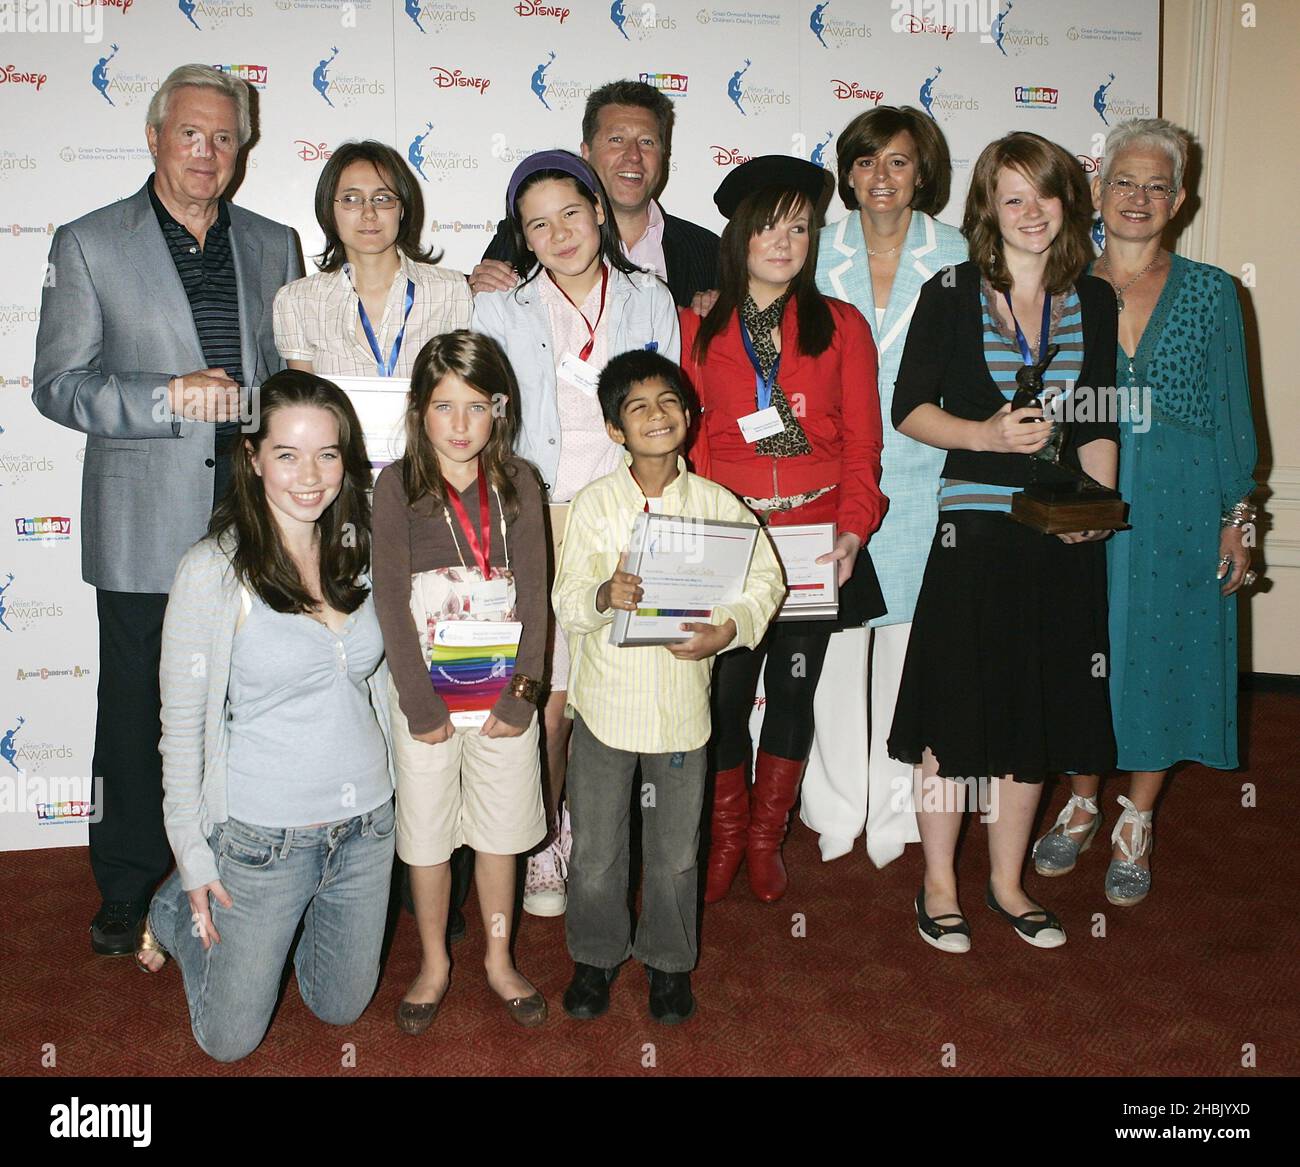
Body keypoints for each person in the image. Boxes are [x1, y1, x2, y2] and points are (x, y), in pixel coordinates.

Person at [32, 64, 302, 956]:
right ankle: (123, 884)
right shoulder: (88, 241)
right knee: (134, 709)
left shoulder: (274, 241)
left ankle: (243, 866)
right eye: (190, 133)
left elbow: (285, 380)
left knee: (248, 700)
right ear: (153, 137)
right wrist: (168, 397)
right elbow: (58, 386)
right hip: (143, 516)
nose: (207, 152)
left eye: (225, 137)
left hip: (254, 514)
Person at [888, 131, 1120, 953]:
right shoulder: (949, 290)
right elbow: (909, 408)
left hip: (1059, 532)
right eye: (1011, 196)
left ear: (1068, 202)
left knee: (1039, 710)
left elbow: (1097, 413)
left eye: (1044, 195)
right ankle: (940, 883)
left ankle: (1007, 880)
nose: (1030, 212)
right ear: (987, 207)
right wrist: (985, 435)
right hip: (975, 527)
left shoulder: (1092, 300)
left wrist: (1101, 504)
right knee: (956, 711)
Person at [135, 372, 394, 1064]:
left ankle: (288, 915)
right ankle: (174, 911)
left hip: (367, 823)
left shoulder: (360, 549)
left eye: (328, 454)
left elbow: (383, 681)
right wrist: (191, 855)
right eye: (287, 454)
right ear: (251, 456)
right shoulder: (212, 572)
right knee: (229, 1041)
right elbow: (180, 730)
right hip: (260, 837)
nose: (311, 476)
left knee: (339, 1005)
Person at [1032, 118, 1259, 905]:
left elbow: (1231, 413)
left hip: (1183, 504)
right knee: (1084, 655)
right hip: (1085, 503)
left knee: (1168, 655)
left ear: (1180, 198)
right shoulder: (1059, 287)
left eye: (1156, 185)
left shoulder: (1212, 292)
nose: (1139, 197)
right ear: (1097, 191)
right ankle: (1086, 796)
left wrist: (1239, 516)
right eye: (1124, 181)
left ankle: (1138, 814)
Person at [473, 149, 680, 918]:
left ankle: (617, 840)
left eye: (570, 212)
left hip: (629, 513)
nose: (559, 232)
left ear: (598, 209)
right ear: (521, 238)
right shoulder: (499, 308)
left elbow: (667, 411)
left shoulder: (649, 297)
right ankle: (543, 840)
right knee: (551, 701)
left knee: (625, 693)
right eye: (537, 224)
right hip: (543, 518)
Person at [553, 350, 784, 1024]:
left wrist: (730, 628)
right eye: (638, 406)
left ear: (689, 415)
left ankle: (669, 963)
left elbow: (765, 583)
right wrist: (604, 592)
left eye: (669, 402)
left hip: (682, 714)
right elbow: (568, 601)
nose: (657, 415)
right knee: (596, 852)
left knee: (677, 854)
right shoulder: (596, 505)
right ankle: (594, 956)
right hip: (605, 710)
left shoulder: (718, 506)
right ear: (614, 429)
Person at [681, 155, 887, 905]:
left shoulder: (842, 326)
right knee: (727, 696)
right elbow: (689, 444)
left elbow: (865, 443)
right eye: (768, 225)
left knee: (794, 694)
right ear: (739, 236)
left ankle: (767, 839)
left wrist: (853, 531)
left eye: (800, 227)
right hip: (733, 546)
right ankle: (727, 835)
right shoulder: (698, 329)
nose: (784, 240)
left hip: (815, 541)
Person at [372, 332, 550, 1033]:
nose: (460, 424)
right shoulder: (396, 484)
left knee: (501, 831)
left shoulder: (522, 482)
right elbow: (388, 596)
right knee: (426, 835)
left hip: (503, 691)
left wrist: (524, 692)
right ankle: (434, 960)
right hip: (427, 693)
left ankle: (499, 957)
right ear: (420, 410)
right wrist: (417, 702)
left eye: (477, 407)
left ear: (499, 410)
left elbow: (537, 595)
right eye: (444, 406)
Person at [805, 106, 969, 869]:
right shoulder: (817, 245)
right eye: (867, 162)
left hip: (922, 468)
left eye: (898, 162)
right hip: (834, 469)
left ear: (921, 172)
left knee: (909, 648)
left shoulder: (955, 249)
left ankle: (897, 806)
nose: (881, 177)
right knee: (839, 646)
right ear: (848, 171)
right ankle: (836, 803)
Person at [471, 79, 719, 308]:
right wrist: (475, 291)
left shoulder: (708, 251)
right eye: (616, 139)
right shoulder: (527, 237)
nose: (633, 155)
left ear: (664, 155)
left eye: (647, 142)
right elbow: (488, 321)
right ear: (586, 153)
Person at [273, 140, 470, 380]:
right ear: (329, 209)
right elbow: (304, 405)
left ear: (402, 209)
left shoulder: (451, 291)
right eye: (351, 199)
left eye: (382, 198)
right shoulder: (297, 301)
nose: (369, 213)